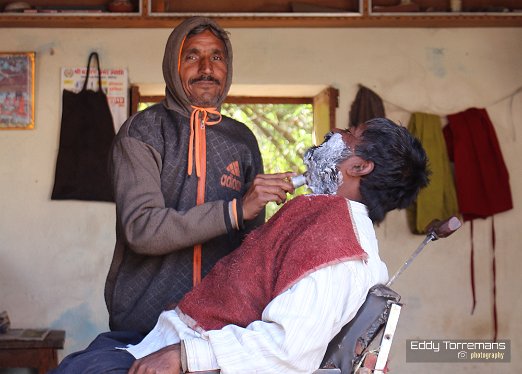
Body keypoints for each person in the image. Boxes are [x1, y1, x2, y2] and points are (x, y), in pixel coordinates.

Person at [53, 117, 429, 373]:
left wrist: (184, 355)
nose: (333, 132)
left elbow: (290, 350)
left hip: (180, 355)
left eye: (348, 133)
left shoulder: (339, 238)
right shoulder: (322, 217)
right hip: (159, 340)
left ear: (359, 167)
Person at [51, 16, 296, 373]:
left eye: (216, 57)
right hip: (143, 327)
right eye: (192, 56)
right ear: (173, 64)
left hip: (216, 330)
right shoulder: (144, 131)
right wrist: (234, 209)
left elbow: (250, 249)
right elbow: (142, 230)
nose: (206, 68)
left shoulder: (242, 141)